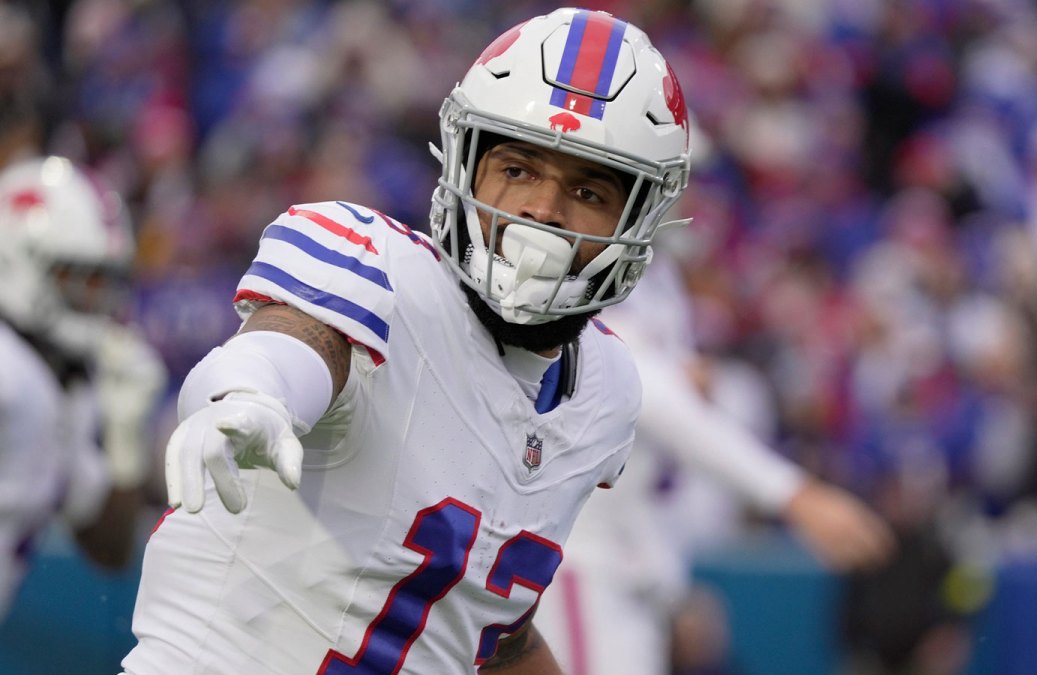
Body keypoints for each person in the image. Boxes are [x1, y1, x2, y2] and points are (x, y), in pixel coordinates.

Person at [122, 8, 691, 674]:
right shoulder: (378, 269)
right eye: (517, 169)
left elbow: (488, 618)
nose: (542, 209)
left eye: (588, 188)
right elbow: (301, 340)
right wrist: (253, 390)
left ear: (637, 218)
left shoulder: (604, 389)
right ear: (466, 164)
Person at [535, 254, 896, 675]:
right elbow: (648, 388)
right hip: (584, 560)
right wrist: (790, 492)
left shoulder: (658, 269)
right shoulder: (593, 271)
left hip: (627, 558)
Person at [0, 154, 166, 619]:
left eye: (105, 282)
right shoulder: (11, 368)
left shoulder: (63, 385)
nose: (96, 300)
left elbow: (109, 548)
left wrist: (125, 440)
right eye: (81, 279)